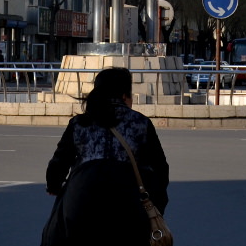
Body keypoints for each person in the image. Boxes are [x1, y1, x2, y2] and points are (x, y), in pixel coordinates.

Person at [43, 67, 169, 246]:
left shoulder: (80, 123)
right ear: (125, 95)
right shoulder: (140, 123)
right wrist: (157, 205)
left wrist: (54, 185)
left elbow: (59, 162)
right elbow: (160, 169)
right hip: (127, 206)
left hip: (81, 201)